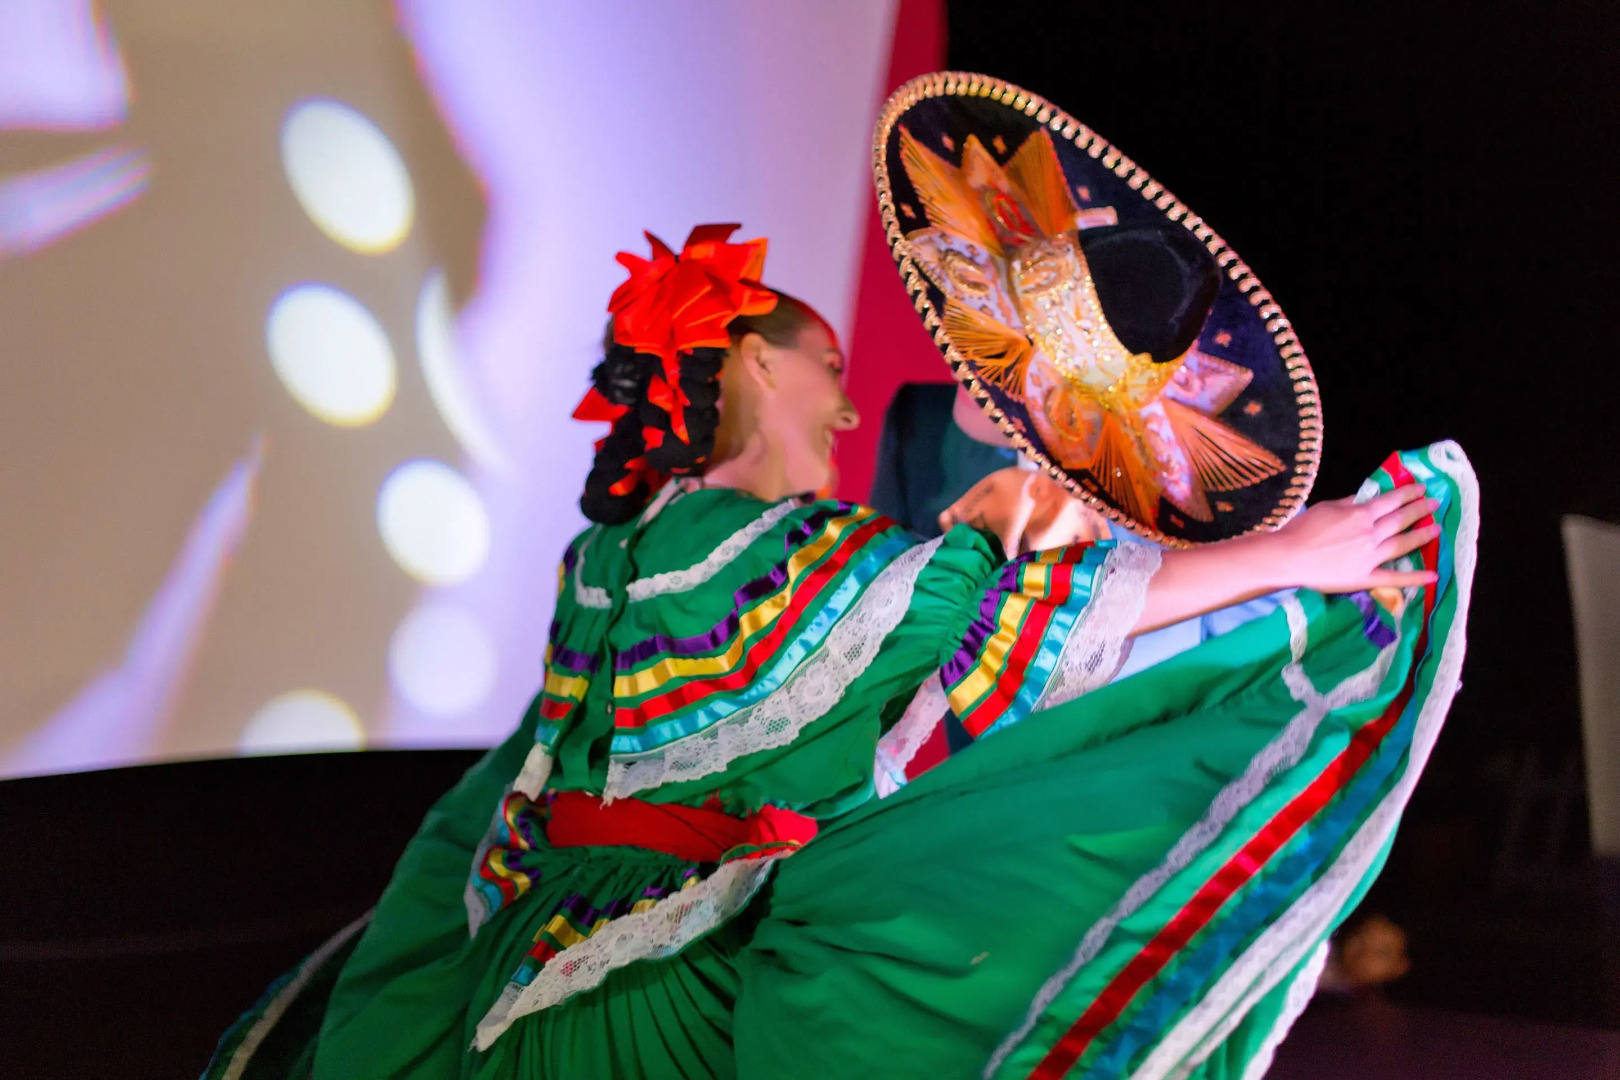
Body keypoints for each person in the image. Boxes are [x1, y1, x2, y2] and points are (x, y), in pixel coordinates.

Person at [204, 76, 1476, 1080]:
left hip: (637, 942)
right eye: (826, 366)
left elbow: (958, 658)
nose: (852, 398)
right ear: (757, 367)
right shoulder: (711, 541)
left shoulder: (665, 544)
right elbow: (975, 629)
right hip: (636, 978)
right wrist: (1282, 557)